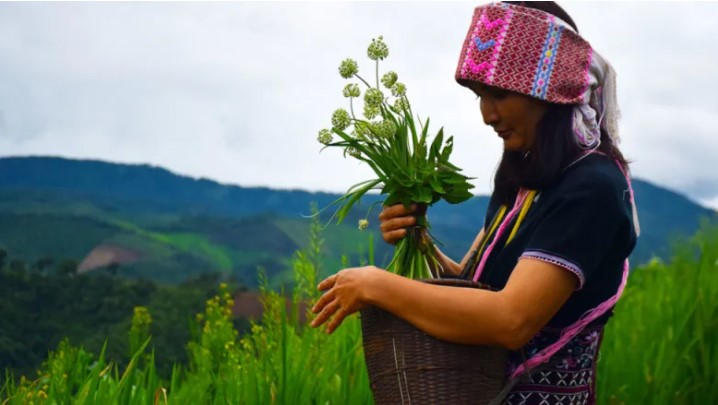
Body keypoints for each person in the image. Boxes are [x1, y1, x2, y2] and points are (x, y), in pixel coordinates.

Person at [311, 2, 639, 403]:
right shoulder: (524, 183)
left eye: (498, 94)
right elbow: (475, 288)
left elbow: (509, 319)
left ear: (546, 91)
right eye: (480, 96)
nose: (487, 115)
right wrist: (419, 240)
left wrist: (377, 285)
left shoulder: (591, 188)